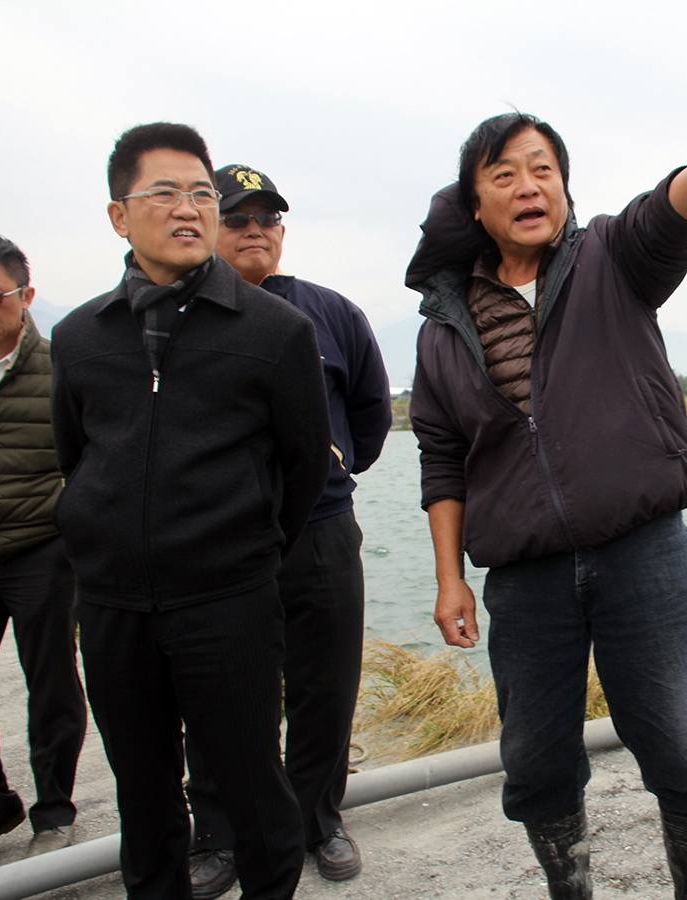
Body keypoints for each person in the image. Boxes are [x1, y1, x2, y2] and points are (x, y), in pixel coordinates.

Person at [407, 108, 687, 899]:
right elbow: (443, 462)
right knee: (538, 762)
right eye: (504, 172)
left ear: (567, 190)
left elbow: (672, 217)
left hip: (644, 553)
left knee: (684, 746)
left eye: (543, 168)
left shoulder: (611, 257)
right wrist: (450, 579)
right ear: (474, 204)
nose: (528, 185)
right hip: (524, 577)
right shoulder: (443, 329)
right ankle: (567, 890)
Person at [50, 123, 331, 899]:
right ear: (119, 215)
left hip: (229, 605)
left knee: (254, 795)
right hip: (111, 611)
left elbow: (303, 468)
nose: (189, 209)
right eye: (165, 192)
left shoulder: (275, 333)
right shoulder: (79, 339)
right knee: (145, 804)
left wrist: (240, 551)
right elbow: (75, 457)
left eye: (202, 193)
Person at [182, 164, 391, 898]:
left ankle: (316, 819)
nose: (253, 230)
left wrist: (329, 468)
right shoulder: (182, 317)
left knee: (324, 688)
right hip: (218, 536)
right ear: (208, 223)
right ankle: (217, 831)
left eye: (267, 218)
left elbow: (370, 412)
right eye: (238, 217)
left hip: (322, 530)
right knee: (216, 691)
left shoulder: (330, 313)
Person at [0, 236, 87, 857]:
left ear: (26, 297)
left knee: (51, 679)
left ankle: (53, 810)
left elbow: (88, 459)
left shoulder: (61, 368)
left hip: (40, 548)